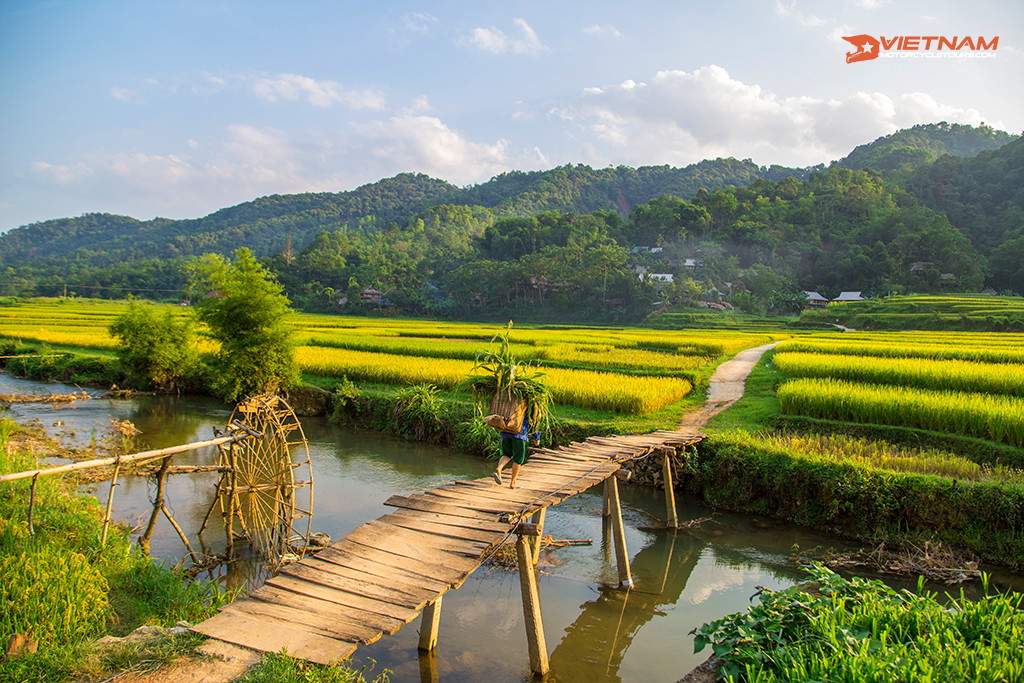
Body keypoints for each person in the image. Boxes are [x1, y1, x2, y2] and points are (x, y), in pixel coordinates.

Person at [492, 411, 539, 489]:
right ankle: (513, 482)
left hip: (505, 433)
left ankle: (499, 468)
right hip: (519, 434)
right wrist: (537, 437)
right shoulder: (526, 406)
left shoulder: (509, 405)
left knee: (507, 454)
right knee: (518, 459)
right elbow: (532, 422)